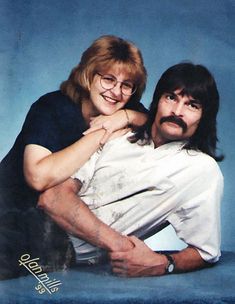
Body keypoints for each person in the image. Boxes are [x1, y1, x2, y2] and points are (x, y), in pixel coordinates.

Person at [39, 62, 224, 277]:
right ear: (157, 101)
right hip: (29, 220)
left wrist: (164, 263)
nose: (177, 111)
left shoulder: (201, 170)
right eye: (171, 98)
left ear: (204, 118)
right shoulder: (118, 136)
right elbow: (51, 198)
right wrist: (121, 246)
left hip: (59, 251)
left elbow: (205, 252)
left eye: (192, 105)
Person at [0, 35, 148, 280]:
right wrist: (102, 131)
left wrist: (127, 117)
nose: (116, 92)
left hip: (46, 231)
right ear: (88, 75)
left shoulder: (125, 112)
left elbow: (155, 123)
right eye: (108, 79)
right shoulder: (52, 107)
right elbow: (37, 177)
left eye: (126, 85)